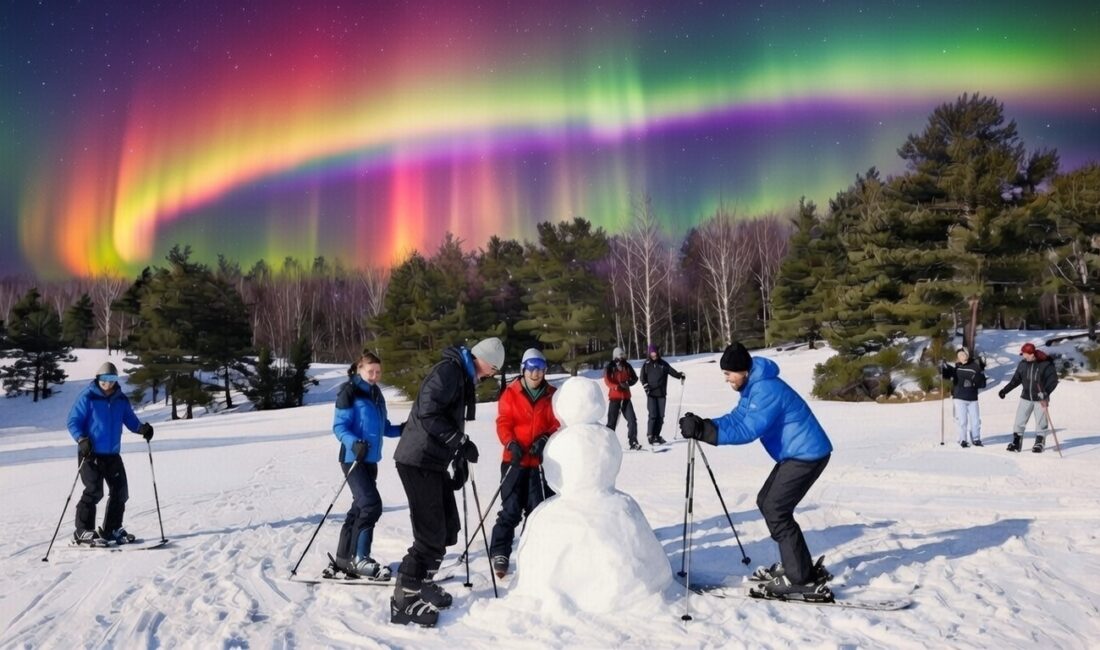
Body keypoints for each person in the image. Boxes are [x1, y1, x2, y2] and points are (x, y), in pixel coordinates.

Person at [679, 342, 834, 600]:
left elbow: (747, 430)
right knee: (766, 502)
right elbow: (737, 418)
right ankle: (799, 566)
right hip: (797, 454)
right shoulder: (753, 387)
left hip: (807, 455)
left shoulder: (766, 390)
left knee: (776, 508)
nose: (727, 379)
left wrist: (706, 433)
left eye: (729, 374)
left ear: (744, 371)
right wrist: (705, 424)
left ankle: (800, 578)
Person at [390, 336, 503, 627]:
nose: (491, 375)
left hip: (433, 460)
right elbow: (428, 412)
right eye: (493, 369)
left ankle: (424, 581)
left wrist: (458, 455)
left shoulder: (461, 375)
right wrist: (459, 441)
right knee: (430, 534)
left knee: (448, 527)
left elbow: (447, 421)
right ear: (486, 362)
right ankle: (405, 598)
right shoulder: (449, 371)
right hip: (417, 460)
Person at [330, 352, 403, 579]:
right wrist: (354, 443)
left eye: (378, 372)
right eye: (370, 371)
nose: (374, 376)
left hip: (371, 461)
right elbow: (339, 427)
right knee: (371, 505)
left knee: (359, 507)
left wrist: (405, 429)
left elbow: (384, 428)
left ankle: (344, 558)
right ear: (359, 369)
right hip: (353, 459)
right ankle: (360, 559)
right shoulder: (349, 391)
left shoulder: (377, 393)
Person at [489, 348, 561, 578]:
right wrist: (510, 443)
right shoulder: (511, 392)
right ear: (523, 368)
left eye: (540, 368)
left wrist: (545, 438)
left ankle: (534, 552)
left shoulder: (552, 394)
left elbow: (556, 423)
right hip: (515, 459)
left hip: (539, 462)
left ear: (545, 370)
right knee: (510, 508)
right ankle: (500, 551)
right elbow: (503, 422)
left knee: (537, 510)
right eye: (531, 367)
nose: (535, 373)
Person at [66, 362, 154, 546]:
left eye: (112, 379)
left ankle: (111, 530)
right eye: (105, 379)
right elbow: (73, 421)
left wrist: (142, 429)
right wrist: (81, 439)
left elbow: (130, 420)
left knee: (120, 491)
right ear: (98, 379)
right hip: (90, 453)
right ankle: (82, 531)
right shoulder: (88, 396)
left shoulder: (121, 399)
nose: (108, 383)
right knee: (94, 491)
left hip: (112, 454)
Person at [998, 342, 1059, 453]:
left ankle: (1039, 443)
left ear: (1032, 354)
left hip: (1040, 398)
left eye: (1025, 354)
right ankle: (1016, 443)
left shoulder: (1045, 364)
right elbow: (1015, 380)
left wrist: (1045, 393)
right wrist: (1004, 391)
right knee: (1019, 420)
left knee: (1041, 421)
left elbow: (1053, 380)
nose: (1024, 356)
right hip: (1025, 397)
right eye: (1023, 354)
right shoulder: (1022, 364)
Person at [941, 346, 987, 448]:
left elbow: (982, 383)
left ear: (967, 355)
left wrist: (980, 373)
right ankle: (962, 439)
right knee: (962, 420)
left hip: (972, 398)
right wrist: (943, 367)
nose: (962, 357)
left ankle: (976, 438)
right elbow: (946, 375)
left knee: (975, 420)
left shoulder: (974, 367)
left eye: (963, 354)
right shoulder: (956, 368)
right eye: (959, 355)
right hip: (959, 398)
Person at [640, 343, 685, 445]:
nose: (653, 354)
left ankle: (657, 435)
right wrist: (646, 387)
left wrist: (680, 375)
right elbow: (642, 378)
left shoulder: (663, 364)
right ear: (649, 353)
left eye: (655, 352)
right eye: (651, 352)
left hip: (661, 394)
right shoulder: (646, 364)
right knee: (653, 415)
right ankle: (650, 436)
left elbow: (672, 372)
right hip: (651, 394)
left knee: (661, 416)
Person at [604, 347, 641, 450]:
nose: (622, 357)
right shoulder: (610, 367)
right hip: (614, 398)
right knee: (612, 422)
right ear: (615, 356)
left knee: (632, 420)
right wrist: (616, 386)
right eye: (620, 355)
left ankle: (633, 442)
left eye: (623, 355)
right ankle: (608, 444)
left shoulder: (627, 366)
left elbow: (634, 378)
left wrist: (628, 383)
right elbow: (607, 381)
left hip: (626, 398)